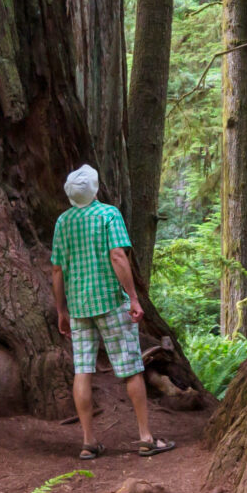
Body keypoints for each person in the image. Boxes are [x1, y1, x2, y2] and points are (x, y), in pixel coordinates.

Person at [50, 164, 173, 460]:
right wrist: (133, 298)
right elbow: (118, 255)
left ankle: (89, 442)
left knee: (82, 370)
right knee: (130, 368)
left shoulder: (63, 222)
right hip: (109, 302)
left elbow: (57, 269)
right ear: (94, 189)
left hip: (78, 308)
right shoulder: (108, 215)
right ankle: (145, 438)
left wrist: (61, 310)